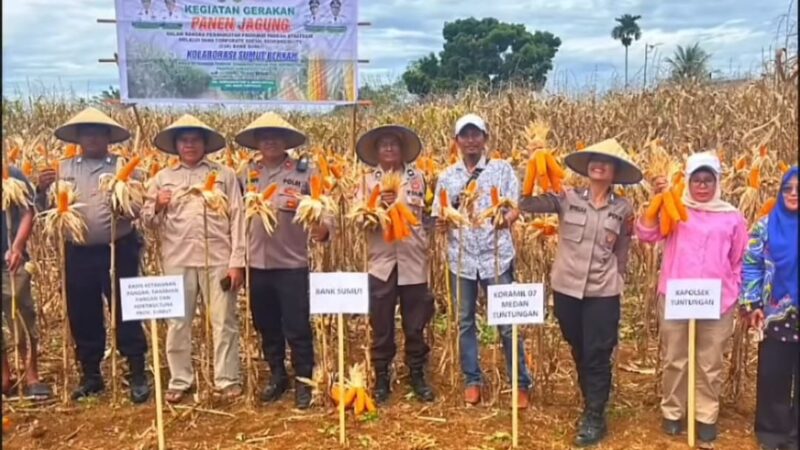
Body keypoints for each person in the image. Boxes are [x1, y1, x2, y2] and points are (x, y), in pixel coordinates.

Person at [519, 138, 639, 447]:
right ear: (586, 168)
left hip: (603, 291)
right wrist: (535, 165)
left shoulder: (623, 208)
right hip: (566, 288)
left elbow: (623, 249)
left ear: (615, 171)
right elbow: (526, 205)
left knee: (598, 352)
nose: (598, 165)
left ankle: (594, 416)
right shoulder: (566, 196)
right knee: (579, 347)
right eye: (593, 160)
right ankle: (591, 400)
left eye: (606, 161)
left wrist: (619, 278)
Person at [37, 107, 149, 403]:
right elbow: (47, 210)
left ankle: (137, 370)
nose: (93, 138)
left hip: (119, 248)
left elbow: (137, 210)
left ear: (108, 137)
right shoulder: (62, 169)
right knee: (82, 312)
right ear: (79, 137)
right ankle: (91, 375)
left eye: (98, 133)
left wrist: (123, 201)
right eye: (87, 133)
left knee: (127, 309)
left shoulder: (124, 166)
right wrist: (40, 189)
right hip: (78, 252)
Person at [636, 151, 748, 445]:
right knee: (676, 358)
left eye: (707, 180)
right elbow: (647, 235)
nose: (701, 186)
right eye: (696, 179)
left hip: (718, 300)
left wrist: (733, 290)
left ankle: (705, 415)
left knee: (710, 362)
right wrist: (657, 199)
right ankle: (673, 411)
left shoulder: (732, 216)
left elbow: (740, 259)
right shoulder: (675, 207)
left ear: (717, 182)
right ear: (687, 181)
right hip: (677, 296)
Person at [142, 115, 246, 403]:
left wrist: (237, 261)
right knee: (177, 322)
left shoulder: (224, 174)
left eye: (195, 140)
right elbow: (146, 220)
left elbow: (237, 218)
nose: (189, 145)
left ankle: (227, 379)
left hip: (219, 258)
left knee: (223, 320)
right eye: (184, 140)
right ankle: (180, 379)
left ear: (204, 144)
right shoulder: (162, 178)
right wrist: (157, 206)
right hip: (177, 258)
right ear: (176, 145)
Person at [431, 113, 531, 408]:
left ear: (486, 138)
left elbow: (514, 206)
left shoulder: (501, 170)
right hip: (460, 258)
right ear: (456, 141)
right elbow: (441, 213)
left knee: (507, 322)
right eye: (465, 135)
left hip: (495, 256)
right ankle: (472, 380)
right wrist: (442, 223)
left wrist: (508, 218)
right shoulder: (447, 177)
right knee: (464, 322)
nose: (471, 140)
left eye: (477, 134)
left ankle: (520, 383)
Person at [234, 112, 331, 409]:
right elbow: (234, 217)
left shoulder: (305, 172)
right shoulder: (245, 173)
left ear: (287, 141)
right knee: (266, 325)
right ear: (257, 142)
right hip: (256, 265)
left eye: (276, 136)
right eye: (264, 137)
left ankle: (304, 379)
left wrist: (323, 229)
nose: (270, 141)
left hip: (292, 264)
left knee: (297, 325)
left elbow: (324, 210)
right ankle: (277, 375)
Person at [355, 124, 435, 403]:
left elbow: (427, 216)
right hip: (381, 262)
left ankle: (416, 373)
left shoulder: (419, 178)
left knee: (416, 322)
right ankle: (381, 377)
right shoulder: (366, 182)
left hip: (414, 259)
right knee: (382, 323)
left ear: (402, 149)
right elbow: (358, 219)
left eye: (394, 144)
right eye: (383, 144)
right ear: (376, 151)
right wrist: (379, 208)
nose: (389, 148)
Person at [740, 166, 798, 450]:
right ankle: (772, 433)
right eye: (788, 189)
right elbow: (752, 265)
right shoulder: (764, 226)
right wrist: (752, 304)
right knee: (774, 373)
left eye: (798, 189)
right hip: (775, 312)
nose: (793, 194)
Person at [2, 165, 51, 399]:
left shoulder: (12, 174)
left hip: (11, 259)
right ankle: (5, 376)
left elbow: (28, 211)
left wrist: (18, 246)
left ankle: (31, 375)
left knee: (21, 313)